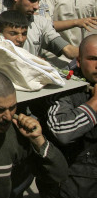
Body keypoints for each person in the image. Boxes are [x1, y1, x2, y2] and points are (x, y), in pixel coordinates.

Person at [46, 34, 97, 196]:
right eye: (93, 59)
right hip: (77, 179)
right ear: (79, 61)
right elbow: (60, 130)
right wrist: (95, 103)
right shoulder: (65, 87)